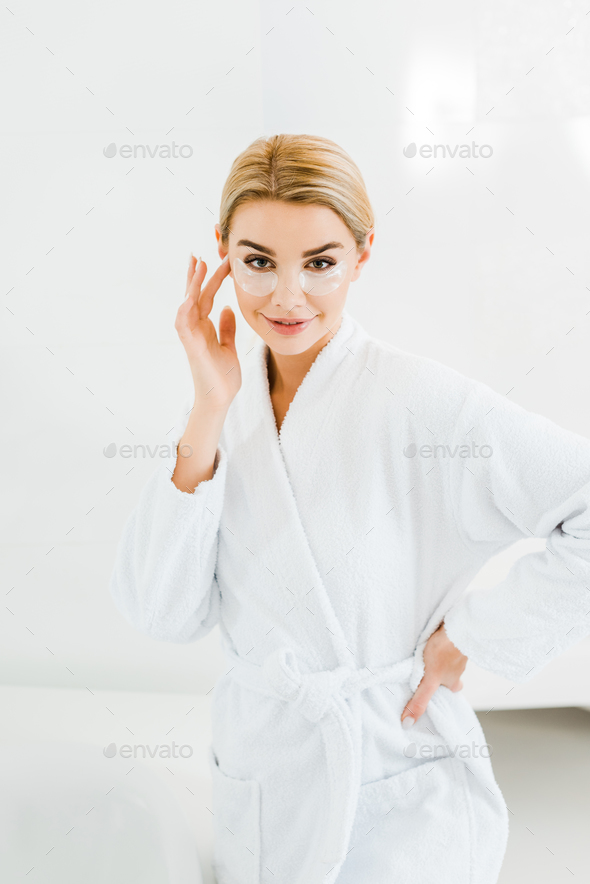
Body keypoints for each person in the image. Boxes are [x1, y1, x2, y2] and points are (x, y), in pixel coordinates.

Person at [109, 133, 590, 884]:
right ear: (224, 251)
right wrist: (206, 410)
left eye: (321, 263)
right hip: (268, 783)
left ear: (364, 255)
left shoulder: (422, 402)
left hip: (402, 784)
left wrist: (474, 635)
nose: (286, 296)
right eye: (258, 260)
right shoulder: (227, 405)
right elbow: (161, 613)